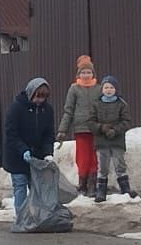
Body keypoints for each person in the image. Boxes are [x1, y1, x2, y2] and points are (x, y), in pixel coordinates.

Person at [2, 77, 56, 213]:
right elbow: (11, 134)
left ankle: (37, 216)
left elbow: (48, 135)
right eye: (37, 97)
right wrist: (23, 149)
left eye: (43, 98)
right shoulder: (16, 108)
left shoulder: (47, 110)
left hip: (36, 157)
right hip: (17, 156)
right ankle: (21, 217)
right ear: (30, 93)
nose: (39, 100)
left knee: (37, 187)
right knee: (20, 185)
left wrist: (48, 153)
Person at [56, 54, 101, 196]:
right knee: (82, 157)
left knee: (94, 157)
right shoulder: (74, 89)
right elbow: (68, 110)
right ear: (78, 74)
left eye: (88, 72)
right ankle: (82, 184)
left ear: (93, 73)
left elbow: (104, 108)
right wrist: (63, 129)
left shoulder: (99, 89)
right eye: (83, 72)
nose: (86, 75)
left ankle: (93, 184)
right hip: (80, 128)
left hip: (95, 128)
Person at [87, 75, 135, 203]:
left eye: (111, 87)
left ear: (116, 89)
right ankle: (101, 191)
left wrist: (115, 130)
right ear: (102, 89)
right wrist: (102, 128)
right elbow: (90, 122)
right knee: (103, 167)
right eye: (106, 87)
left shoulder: (122, 104)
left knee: (120, 165)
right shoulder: (96, 104)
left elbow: (127, 122)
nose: (109, 90)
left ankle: (125, 189)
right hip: (101, 141)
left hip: (117, 140)